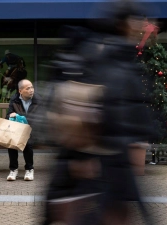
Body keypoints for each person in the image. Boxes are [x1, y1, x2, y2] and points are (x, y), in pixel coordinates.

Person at [43, 1, 158, 224]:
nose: (144, 26)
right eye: (138, 20)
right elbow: (84, 111)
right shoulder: (103, 58)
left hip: (113, 169)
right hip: (101, 169)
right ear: (123, 24)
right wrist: (81, 158)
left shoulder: (121, 58)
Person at [5, 79, 43, 181]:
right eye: (28, 88)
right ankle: (13, 170)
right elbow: (7, 116)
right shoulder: (14, 100)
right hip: (19, 130)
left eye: (32, 87)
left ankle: (29, 169)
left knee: (26, 140)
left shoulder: (38, 100)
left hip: (34, 130)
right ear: (20, 91)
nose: (31, 90)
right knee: (11, 141)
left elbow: (38, 118)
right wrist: (11, 115)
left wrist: (19, 115)